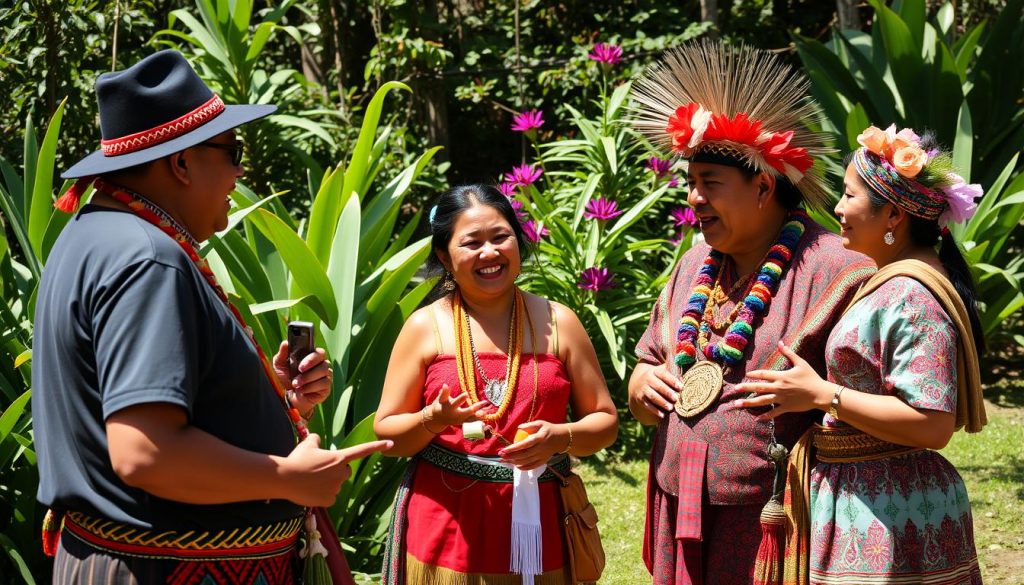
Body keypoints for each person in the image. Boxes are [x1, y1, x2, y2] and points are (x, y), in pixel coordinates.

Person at [32, 49, 390, 584]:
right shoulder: (148, 258)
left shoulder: (90, 236)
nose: (240, 170)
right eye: (231, 150)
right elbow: (145, 453)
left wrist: (274, 402)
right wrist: (290, 478)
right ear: (181, 163)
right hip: (173, 571)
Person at [626, 40, 876, 584]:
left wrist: (822, 397)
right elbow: (647, 363)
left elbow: (880, 409)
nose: (692, 198)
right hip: (680, 499)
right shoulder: (693, 262)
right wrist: (642, 384)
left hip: (777, 519)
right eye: (690, 183)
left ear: (763, 186)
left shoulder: (837, 269)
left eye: (709, 184)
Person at [736, 124, 986, 584]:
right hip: (871, 500)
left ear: (893, 215)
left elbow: (933, 424)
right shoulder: (891, 282)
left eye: (850, 196)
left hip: (894, 510)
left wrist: (821, 395)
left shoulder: (912, 297)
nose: (837, 208)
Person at [373, 184, 618, 584]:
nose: (489, 253)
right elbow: (388, 434)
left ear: (518, 242)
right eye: (471, 243)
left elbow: (604, 422)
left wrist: (560, 436)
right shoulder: (424, 327)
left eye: (500, 237)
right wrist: (432, 420)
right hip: (447, 527)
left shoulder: (559, 323)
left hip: (542, 523)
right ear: (444, 257)